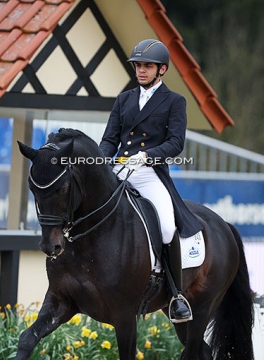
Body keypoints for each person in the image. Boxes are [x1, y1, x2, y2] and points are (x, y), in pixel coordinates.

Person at [99, 39, 202, 323]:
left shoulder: (174, 101)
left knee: (167, 227)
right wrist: (100, 162)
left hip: (149, 172)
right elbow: (109, 139)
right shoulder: (124, 99)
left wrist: (147, 155)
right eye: (138, 66)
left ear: (162, 69)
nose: (141, 70)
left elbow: (176, 143)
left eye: (147, 66)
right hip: (119, 168)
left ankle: (174, 293)